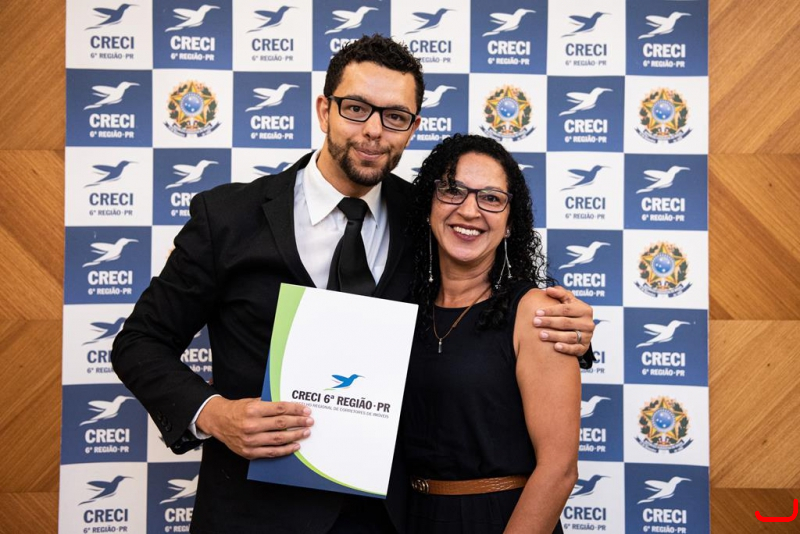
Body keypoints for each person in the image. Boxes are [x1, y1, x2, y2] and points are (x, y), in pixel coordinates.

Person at [112, 35, 592, 534]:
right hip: (253, 514)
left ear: (412, 129)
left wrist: (569, 328)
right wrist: (215, 414)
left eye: (395, 117)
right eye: (357, 108)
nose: (374, 131)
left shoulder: (428, 217)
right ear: (325, 110)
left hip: (387, 519)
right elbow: (139, 342)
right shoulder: (229, 217)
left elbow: (481, 304)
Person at [401, 134, 581, 533]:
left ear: (510, 222)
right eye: (453, 191)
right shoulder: (403, 307)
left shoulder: (536, 312)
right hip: (410, 516)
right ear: (429, 205)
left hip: (499, 518)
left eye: (492, 198)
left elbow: (559, 469)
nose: (469, 210)